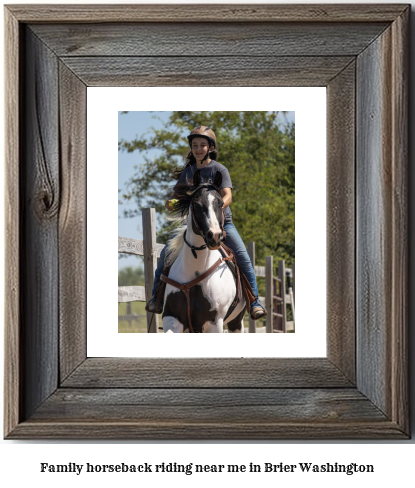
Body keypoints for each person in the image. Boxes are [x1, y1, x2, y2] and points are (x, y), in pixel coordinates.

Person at [145, 125, 267, 320]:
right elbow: (176, 197)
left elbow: (227, 196)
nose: (198, 149)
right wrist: (172, 202)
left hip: (223, 224)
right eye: (195, 145)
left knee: (243, 257)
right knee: (167, 252)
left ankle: (254, 301)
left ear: (211, 148)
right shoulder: (188, 172)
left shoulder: (219, 170)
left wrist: (217, 208)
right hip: (195, 227)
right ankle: (157, 297)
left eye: (203, 145)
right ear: (191, 148)